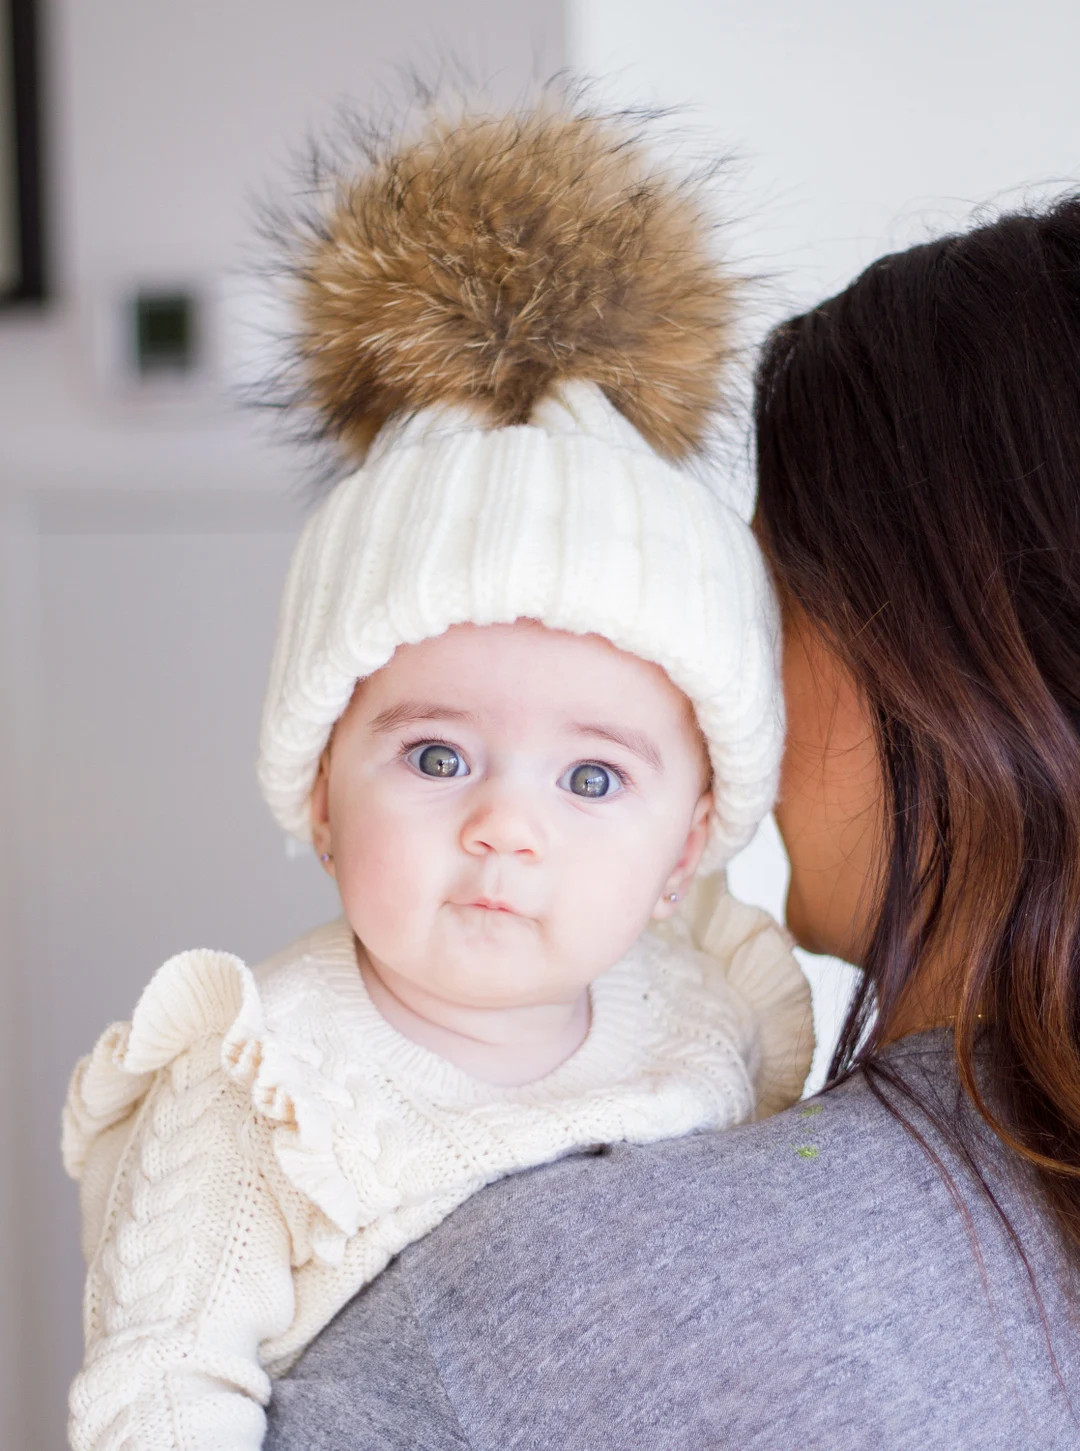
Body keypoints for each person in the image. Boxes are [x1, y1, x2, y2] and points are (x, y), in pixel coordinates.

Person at [261, 197, 1080, 1449]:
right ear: (321, 788)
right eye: (436, 753)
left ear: (944, 652)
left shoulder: (547, 1310)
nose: (733, 696)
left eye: (770, 595)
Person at [60, 98, 813, 1451]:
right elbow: (161, 1380)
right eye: (435, 753)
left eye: (593, 780)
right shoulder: (261, 1086)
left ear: (686, 846)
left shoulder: (712, 1021)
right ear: (319, 796)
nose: (504, 823)